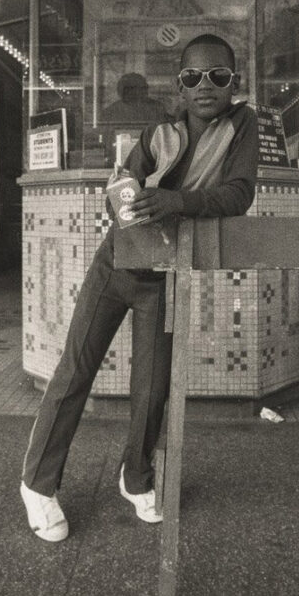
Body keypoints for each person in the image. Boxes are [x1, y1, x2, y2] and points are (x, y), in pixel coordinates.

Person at [20, 33, 259, 541]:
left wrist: (172, 202)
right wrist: (126, 197)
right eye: (193, 77)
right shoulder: (158, 132)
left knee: (151, 390)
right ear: (179, 84)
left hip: (166, 276)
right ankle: (38, 485)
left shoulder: (243, 125)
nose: (205, 86)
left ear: (233, 82)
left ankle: (137, 477)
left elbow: (239, 195)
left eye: (218, 76)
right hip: (117, 265)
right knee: (75, 370)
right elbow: (121, 186)